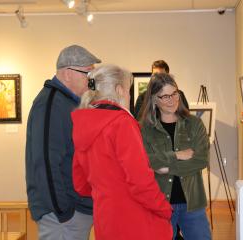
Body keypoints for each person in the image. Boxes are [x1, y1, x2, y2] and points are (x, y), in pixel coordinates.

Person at [71, 65, 173, 240]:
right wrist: (164, 208)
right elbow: (140, 181)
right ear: (119, 90)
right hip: (136, 222)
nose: (129, 95)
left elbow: (80, 183)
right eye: (128, 90)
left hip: (106, 220)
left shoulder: (83, 123)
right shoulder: (122, 123)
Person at [25, 45, 101, 240]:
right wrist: (62, 210)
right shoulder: (50, 104)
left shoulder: (69, 103)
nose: (91, 80)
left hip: (74, 209)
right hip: (63, 214)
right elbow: (46, 162)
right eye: (87, 73)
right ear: (67, 73)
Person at [140, 73, 212, 240]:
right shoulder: (144, 129)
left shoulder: (194, 124)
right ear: (154, 99)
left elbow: (201, 159)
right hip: (160, 204)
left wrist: (166, 167)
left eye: (174, 94)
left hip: (193, 203)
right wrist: (177, 155)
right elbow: (146, 161)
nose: (171, 100)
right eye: (165, 96)